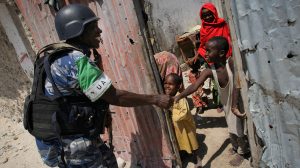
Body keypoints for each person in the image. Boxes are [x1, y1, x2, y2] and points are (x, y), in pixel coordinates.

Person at [35, 4, 172, 167]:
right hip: (73, 144)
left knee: (109, 161)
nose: (99, 31)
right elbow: (115, 96)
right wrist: (156, 99)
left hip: (65, 137)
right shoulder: (76, 61)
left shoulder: (54, 57)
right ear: (78, 31)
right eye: (94, 27)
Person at [174, 36, 249, 166]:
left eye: (209, 51)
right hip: (227, 105)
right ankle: (236, 146)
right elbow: (194, 86)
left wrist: (234, 104)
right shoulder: (210, 71)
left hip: (237, 103)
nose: (206, 53)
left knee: (239, 128)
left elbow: (237, 81)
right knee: (231, 126)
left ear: (220, 53)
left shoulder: (230, 63)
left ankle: (243, 152)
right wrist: (179, 96)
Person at [164, 73, 202, 167]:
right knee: (181, 142)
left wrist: (172, 115)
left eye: (170, 84)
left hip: (186, 127)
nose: (167, 86)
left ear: (178, 86)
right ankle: (184, 154)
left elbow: (184, 112)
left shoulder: (180, 97)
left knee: (192, 142)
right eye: (165, 83)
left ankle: (197, 158)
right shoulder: (167, 98)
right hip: (178, 128)